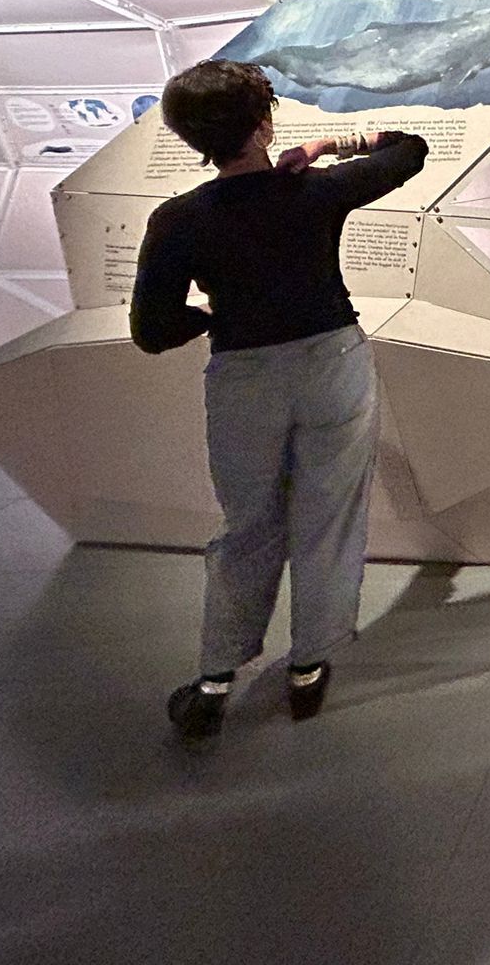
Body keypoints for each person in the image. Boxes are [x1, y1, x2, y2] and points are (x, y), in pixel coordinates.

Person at [131, 60, 427, 737]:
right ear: (264, 125)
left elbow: (152, 331)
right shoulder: (315, 192)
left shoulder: (177, 220)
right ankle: (308, 669)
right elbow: (409, 149)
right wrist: (326, 146)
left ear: (190, 138)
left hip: (244, 377)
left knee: (248, 525)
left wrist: (212, 315)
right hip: (333, 364)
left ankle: (214, 680)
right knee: (329, 519)